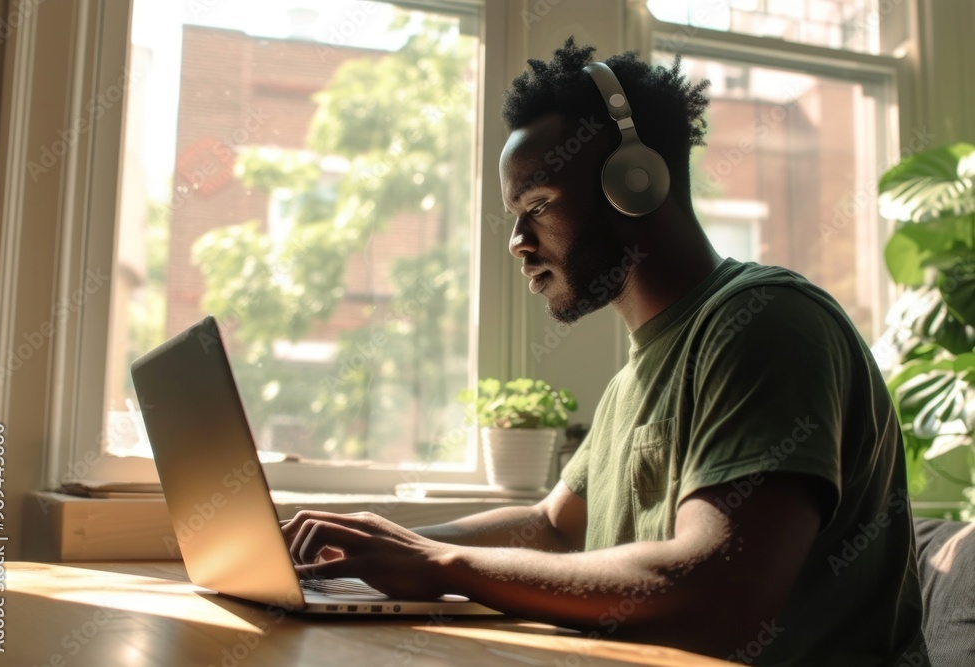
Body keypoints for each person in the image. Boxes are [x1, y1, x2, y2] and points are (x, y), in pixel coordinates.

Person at [283, 38, 927, 665]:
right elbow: (553, 527)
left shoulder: (767, 325)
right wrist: (380, 547)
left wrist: (444, 565)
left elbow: (720, 596)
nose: (516, 242)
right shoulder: (634, 379)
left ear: (633, 181)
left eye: (536, 205)